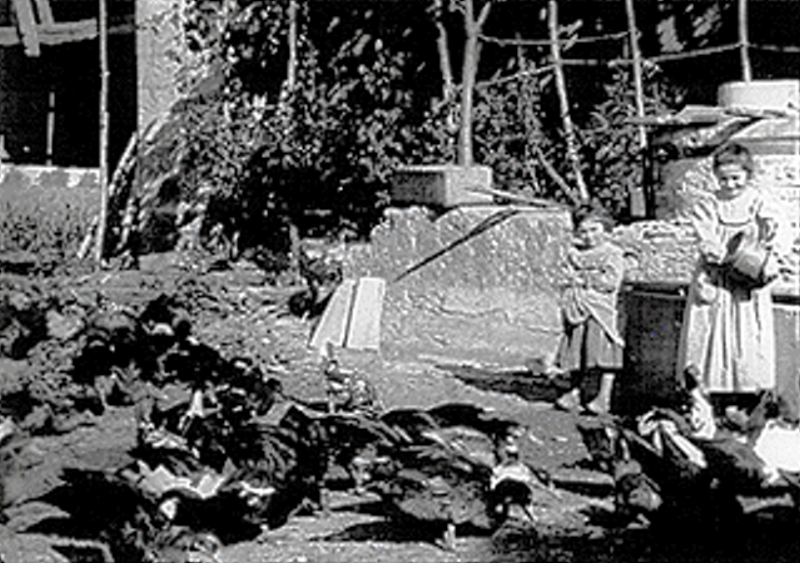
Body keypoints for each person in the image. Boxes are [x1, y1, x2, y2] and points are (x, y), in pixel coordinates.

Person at [676, 142, 785, 412]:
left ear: (748, 174)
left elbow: (774, 228)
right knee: (711, 330)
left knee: (746, 331)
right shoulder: (710, 203)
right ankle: (710, 393)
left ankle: (745, 394)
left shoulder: (757, 201)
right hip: (717, 276)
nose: (730, 184)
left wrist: (769, 246)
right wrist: (715, 251)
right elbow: (705, 233)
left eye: (736, 178)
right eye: (723, 179)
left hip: (747, 278)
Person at [553, 203, 626, 415]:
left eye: (594, 229)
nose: (589, 236)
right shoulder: (574, 253)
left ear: (605, 228)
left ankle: (604, 397)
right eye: (583, 231)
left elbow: (610, 281)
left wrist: (583, 279)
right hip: (577, 308)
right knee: (578, 352)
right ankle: (575, 391)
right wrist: (572, 281)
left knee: (604, 354)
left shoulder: (612, 253)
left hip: (600, 310)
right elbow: (564, 276)